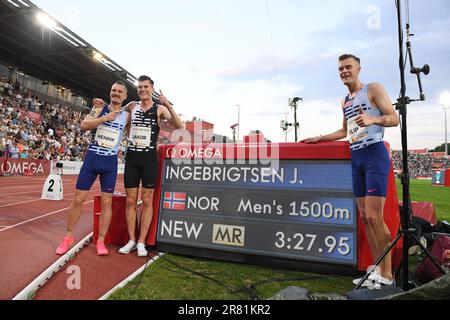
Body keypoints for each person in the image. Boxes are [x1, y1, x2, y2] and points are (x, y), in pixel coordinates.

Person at [302, 54, 399, 287]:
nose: (344, 71)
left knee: (376, 218)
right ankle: (376, 271)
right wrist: (320, 138)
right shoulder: (344, 100)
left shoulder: (373, 89)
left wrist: (373, 119)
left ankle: (388, 275)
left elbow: (394, 118)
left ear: (358, 69)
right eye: (340, 69)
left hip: (374, 154)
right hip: (356, 158)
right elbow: (344, 132)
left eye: (348, 67)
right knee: (366, 218)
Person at [55, 81, 129, 256]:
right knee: (78, 199)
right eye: (113, 90)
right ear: (110, 92)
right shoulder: (99, 108)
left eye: (119, 91)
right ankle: (68, 237)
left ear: (125, 96)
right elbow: (83, 126)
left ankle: (101, 241)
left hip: (110, 163)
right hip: (92, 159)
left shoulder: (127, 116)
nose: (116, 93)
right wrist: (104, 118)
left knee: (106, 202)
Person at [119, 75, 184, 257]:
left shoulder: (159, 108)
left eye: (146, 87)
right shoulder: (132, 106)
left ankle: (141, 242)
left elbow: (180, 127)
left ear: (151, 89)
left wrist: (169, 105)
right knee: (130, 201)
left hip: (148, 161)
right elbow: (116, 113)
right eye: (140, 87)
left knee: (147, 201)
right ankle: (131, 240)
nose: (142, 90)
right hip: (132, 159)